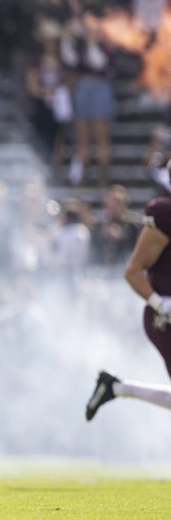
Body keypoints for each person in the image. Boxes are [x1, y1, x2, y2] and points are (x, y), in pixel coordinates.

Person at [86, 161, 171, 419]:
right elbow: (132, 271)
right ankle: (118, 388)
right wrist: (161, 305)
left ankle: (117, 388)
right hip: (164, 316)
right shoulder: (166, 214)